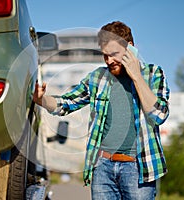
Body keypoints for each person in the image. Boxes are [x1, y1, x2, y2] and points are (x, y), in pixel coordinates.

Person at [33, 21, 170, 200]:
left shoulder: (153, 74)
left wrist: (136, 76)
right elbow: (65, 104)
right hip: (103, 168)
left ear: (131, 49)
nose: (109, 61)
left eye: (114, 54)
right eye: (105, 55)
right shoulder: (98, 78)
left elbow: (159, 115)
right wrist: (41, 99)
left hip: (139, 168)